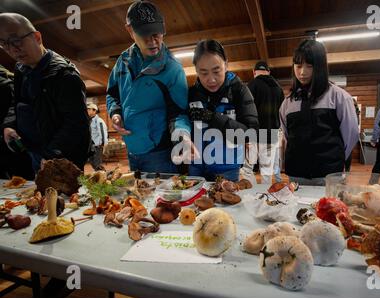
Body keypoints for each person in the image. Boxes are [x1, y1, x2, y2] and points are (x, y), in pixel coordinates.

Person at [106, 1, 191, 173]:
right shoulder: (122, 61)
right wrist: (115, 113)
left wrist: (183, 135)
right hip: (132, 151)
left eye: (157, 34)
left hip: (160, 153)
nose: (153, 41)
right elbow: (112, 93)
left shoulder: (172, 68)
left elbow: (179, 112)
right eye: (145, 34)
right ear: (130, 30)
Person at [0, 13, 91, 173]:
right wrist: (9, 125)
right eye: (4, 44)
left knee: (67, 197)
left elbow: (77, 124)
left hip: (62, 159)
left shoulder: (64, 75)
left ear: (37, 37)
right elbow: (17, 103)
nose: (12, 50)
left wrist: (51, 155)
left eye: (16, 41)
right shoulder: (21, 68)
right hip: (34, 153)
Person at [279, 40, 359, 186]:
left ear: (320, 67)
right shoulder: (287, 103)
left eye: (309, 66)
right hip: (297, 174)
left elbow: (351, 134)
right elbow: (287, 135)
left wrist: (334, 159)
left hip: (328, 174)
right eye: (298, 66)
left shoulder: (339, 97)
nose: (302, 72)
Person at [187, 39, 259, 182]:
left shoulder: (239, 90)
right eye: (204, 73)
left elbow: (251, 133)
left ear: (226, 65)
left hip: (227, 169)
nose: (211, 79)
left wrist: (212, 117)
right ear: (196, 70)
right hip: (196, 168)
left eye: (216, 71)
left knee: (226, 203)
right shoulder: (191, 94)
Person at [240, 61, 285, 184]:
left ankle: (255, 194)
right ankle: (265, 196)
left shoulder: (251, 85)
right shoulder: (278, 88)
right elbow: (282, 112)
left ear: (254, 72)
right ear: (268, 72)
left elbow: (245, 112)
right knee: (267, 170)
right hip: (273, 133)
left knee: (247, 169)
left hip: (255, 134)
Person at [0, 64, 34, 180]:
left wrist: (8, 125)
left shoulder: (6, 83)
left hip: (13, 138)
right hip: (7, 139)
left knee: (22, 180)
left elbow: (15, 105)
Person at [87, 103, 108, 171]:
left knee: (97, 164)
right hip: (91, 146)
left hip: (98, 146)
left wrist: (103, 145)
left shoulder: (99, 121)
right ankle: (101, 175)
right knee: (92, 162)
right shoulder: (89, 121)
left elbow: (103, 133)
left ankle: (102, 177)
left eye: (89, 109)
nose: (87, 110)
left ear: (94, 111)